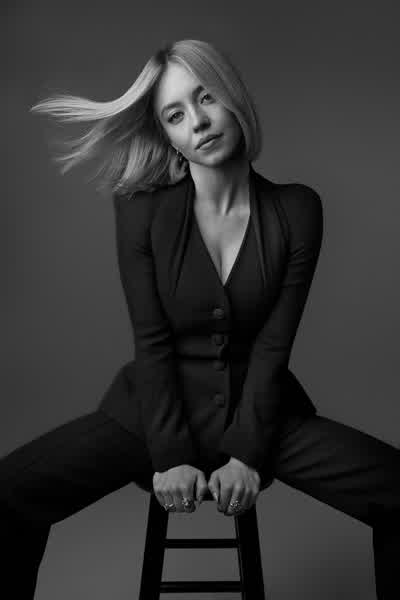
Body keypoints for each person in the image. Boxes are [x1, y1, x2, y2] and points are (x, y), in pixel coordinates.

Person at [2, 38, 399, 599]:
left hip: (260, 414)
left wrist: (247, 455)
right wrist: (169, 457)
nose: (198, 121)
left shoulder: (297, 210)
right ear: (168, 135)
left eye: (206, 96)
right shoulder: (140, 210)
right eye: (175, 114)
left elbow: (273, 345)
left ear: (233, 96)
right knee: (8, 494)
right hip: (153, 415)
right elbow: (152, 340)